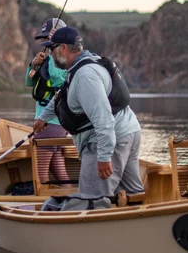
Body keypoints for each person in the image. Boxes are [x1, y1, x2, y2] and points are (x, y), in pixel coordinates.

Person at [33, 26, 143, 198]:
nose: (50, 54)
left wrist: (104, 156)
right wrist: (43, 118)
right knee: (131, 196)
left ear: (63, 48)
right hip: (128, 131)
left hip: (109, 140)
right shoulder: (84, 64)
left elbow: (103, 118)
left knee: (92, 198)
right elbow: (63, 94)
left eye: (52, 49)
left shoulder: (85, 76)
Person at [25, 18, 71, 185]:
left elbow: (57, 79)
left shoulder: (62, 61)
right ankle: (69, 199)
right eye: (44, 39)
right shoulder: (46, 59)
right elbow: (29, 82)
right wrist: (33, 65)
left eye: (47, 39)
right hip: (54, 125)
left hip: (51, 123)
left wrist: (52, 52)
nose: (45, 43)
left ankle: (43, 207)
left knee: (40, 172)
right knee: (58, 169)